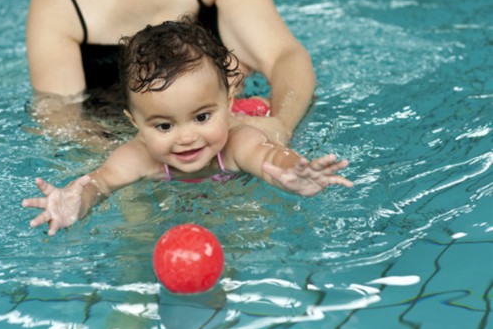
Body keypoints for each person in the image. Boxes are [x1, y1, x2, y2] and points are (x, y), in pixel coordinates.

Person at [22, 19, 352, 236]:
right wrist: (77, 201)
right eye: (164, 126)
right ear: (135, 124)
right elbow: (100, 182)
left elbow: (269, 157)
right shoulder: (138, 156)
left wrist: (294, 171)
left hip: (250, 112)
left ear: (226, 103)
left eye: (202, 117)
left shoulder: (237, 140)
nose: (187, 137)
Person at [26, 0, 316, 145]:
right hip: (120, 142)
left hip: (225, 132)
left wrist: (281, 124)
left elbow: (286, 57)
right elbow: (60, 117)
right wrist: (141, 162)